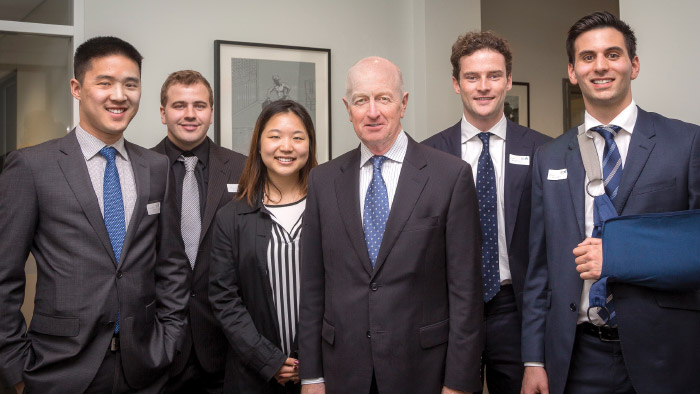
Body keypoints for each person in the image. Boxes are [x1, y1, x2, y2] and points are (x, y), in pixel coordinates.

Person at [521, 11, 700, 394]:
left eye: (613, 54)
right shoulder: (549, 157)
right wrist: (534, 359)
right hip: (576, 355)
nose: (600, 66)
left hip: (665, 353)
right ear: (572, 71)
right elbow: (539, 268)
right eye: (587, 57)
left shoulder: (686, 144)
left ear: (633, 65)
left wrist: (620, 256)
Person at [0, 36, 190, 394]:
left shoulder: (156, 167)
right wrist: (16, 368)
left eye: (130, 84)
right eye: (105, 82)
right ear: (77, 87)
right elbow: (4, 276)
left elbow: (172, 264)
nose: (119, 95)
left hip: (145, 368)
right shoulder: (31, 166)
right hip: (58, 369)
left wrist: (169, 340)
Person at [298, 56, 483, 394]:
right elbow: (312, 289)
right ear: (347, 107)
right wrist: (311, 376)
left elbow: (466, 295)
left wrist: (459, 383)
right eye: (361, 100)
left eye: (383, 98)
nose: (372, 112)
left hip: (422, 371)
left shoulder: (450, 177)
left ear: (403, 103)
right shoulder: (323, 181)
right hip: (342, 371)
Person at [423, 31, 550, 394]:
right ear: (455, 83)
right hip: (447, 308)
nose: (483, 87)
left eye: (494, 75)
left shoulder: (544, 151)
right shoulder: (430, 156)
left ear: (508, 80)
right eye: (471, 77)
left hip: (513, 308)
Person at [209, 99, 318, 393]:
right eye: (275, 136)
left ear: (309, 145)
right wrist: (268, 360)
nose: (287, 146)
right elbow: (224, 299)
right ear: (258, 145)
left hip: (321, 372)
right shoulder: (231, 217)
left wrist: (310, 359)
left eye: (298, 137)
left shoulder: (330, 208)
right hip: (251, 375)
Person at [151, 70, 247, 394]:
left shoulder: (244, 169)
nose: (190, 114)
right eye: (179, 105)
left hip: (226, 343)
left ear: (211, 113)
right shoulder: (141, 169)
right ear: (163, 112)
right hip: (158, 345)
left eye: (199, 105)